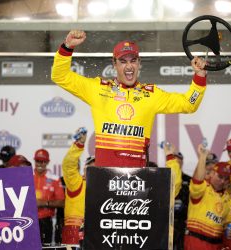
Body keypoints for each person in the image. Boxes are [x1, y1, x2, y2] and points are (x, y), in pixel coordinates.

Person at [51, 30, 207, 168]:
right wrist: (67, 47)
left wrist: (200, 77)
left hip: (137, 180)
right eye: (123, 61)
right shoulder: (98, 89)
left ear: (139, 63)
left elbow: (189, 104)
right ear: (114, 64)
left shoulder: (151, 95)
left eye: (133, 61)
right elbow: (60, 76)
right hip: (105, 180)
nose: (129, 66)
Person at [184, 144, 231, 250]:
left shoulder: (228, 199)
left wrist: (228, 231)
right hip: (196, 242)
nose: (222, 181)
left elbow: (227, 223)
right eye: (220, 176)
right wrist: (202, 156)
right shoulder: (203, 188)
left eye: (226, 179)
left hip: (216, 245)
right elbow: (197, 180)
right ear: (211, 174)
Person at [61, 129, 95, 247]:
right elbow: (69, 166)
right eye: (91, 166)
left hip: (97, 231)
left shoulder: (105, 186)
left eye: (97, 167)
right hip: (74, 232)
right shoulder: (76, 182)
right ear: (85, 168)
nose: (94, 169)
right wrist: (78, 145)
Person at [33, 148, 65, 245]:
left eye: (43, 161)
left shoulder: (54, 179)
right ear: (34, 161)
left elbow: (62, 203)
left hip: (45, 220)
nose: (40, 164)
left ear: (48, 162)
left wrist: (43, 203)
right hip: (28, 220)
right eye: (38, 161)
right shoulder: (26, 176)